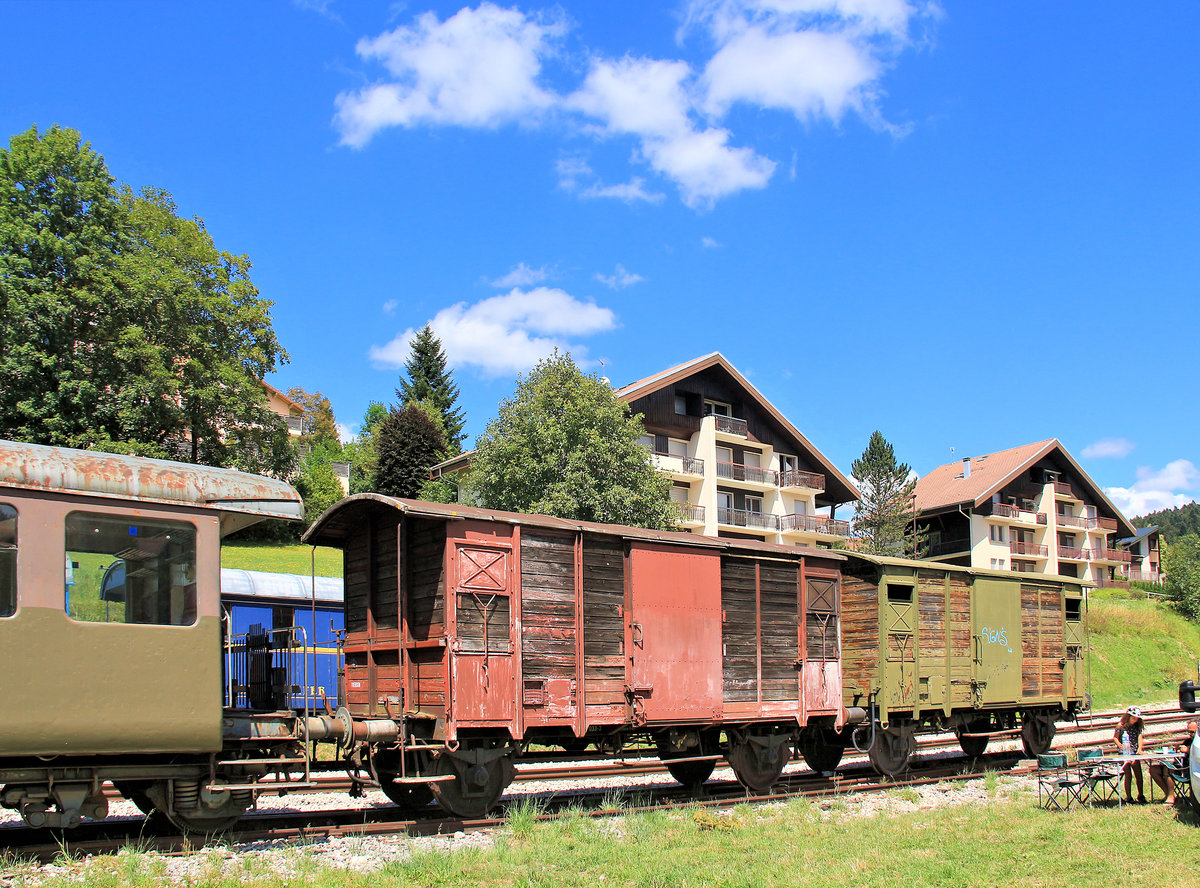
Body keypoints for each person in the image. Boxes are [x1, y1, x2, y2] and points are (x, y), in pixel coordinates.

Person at [1148, 720, 1197, 806]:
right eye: (1188, 732)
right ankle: (1168, 794)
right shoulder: (1188, 741)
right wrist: (1177, 751)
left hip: (1192, 770)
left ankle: (1171, 797)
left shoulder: (1198, 742)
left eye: (1192, 732)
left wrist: (1188, 751)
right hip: (1182, 767)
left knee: (1168, 768)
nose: (1190, 734)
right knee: (1153, 769)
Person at [1113, 705, 1147, 803]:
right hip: (1124, 752)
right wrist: (1119, 744)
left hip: (1134, 751)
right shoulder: (1121, 725)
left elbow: (1140, 737)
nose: (1135, 720)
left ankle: (1141, 795)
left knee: (1138, 774)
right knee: (1128, 775)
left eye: (1136, 718)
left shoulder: (1137, 726)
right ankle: (1129, 796)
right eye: (1133, 718)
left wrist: (1139, 749)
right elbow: (1115, 737)